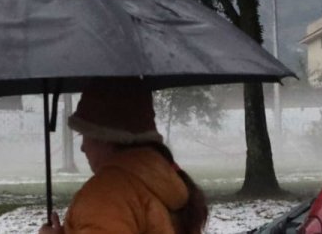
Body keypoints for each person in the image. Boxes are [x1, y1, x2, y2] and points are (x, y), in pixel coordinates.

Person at [38, 85, 208, 234]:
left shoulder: (106, 195)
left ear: (104, 136)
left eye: (84, 135)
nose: (82, 147)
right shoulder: (164, 179)